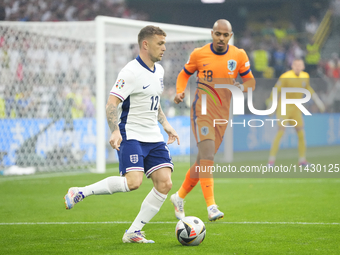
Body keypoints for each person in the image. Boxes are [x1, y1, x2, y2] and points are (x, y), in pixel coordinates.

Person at [64, 25, 180, 244]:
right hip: (132, 134)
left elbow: (154, 103)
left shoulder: (160, 71)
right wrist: (115, 129)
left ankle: (133, 232)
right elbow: (112, 103)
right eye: (160, 43)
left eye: (164, 43)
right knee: (132, 182)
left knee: (165, 183)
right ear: (145, 45)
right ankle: (80, 191)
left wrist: (166, 124)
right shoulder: (130, 72)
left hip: (153, 136)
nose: (164, 48)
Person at [170, 19, 255, 221]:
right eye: (218, 34)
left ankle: (179, 196)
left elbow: (250, 81)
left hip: (222, 116)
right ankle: (211, 207)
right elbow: (184, 74)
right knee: (208, 156)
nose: (221, 38)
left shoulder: (239, 55)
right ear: (212, 34)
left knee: (202, 162)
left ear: (230, 36)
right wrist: (180, 91)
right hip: (202, 111)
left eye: (226, 35)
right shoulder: (199, 54)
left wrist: (240, 88)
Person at [267, 58, 325, 166]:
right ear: (292, 66)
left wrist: (317, 100)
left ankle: (302, 160)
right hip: (284, 108)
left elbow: (308, 88)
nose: (298, 67)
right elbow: (276, 90)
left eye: (300, 65)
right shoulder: (285, 77)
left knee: (301, 134)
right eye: (295, 65)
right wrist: (271, 105)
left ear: (303, 67)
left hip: (296, 109)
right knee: (280, 132)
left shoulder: (305, 76)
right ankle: (271, 160)